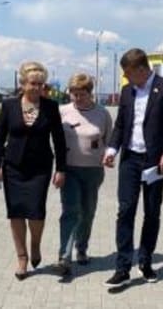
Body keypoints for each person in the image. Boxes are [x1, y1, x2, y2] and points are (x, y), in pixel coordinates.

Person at [102, 48, 163, 287]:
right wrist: (111, 149)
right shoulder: (127, 91)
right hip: (130, 159)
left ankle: (146, 262)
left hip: (155, 161)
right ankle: (122, 268)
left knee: (152, 211)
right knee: (125, 210)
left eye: (127, 73)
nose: (125, 77)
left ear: (141, 69)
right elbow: (120, 124)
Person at [0, 61, 67, 280]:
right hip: (13, 167)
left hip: (40, 169)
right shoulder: (9, 105)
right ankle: (22, 257)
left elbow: (59, 140)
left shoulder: (50, 107)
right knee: (16, 212)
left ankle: (35, 245)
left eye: (41, 84)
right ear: (23, 84)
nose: (37, 88)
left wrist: (61, 169)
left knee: (36, 211)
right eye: (33, 83)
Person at [54, 72, 113, 276]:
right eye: (74, 94)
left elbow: (109, 141)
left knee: (87, 212)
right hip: (69, 170)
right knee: (70, 210)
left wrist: (109, 155)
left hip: (93, 171)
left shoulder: (102, 114)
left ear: (90, 93)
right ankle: (64, 257)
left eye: (82, 94)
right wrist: (57, 169)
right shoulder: (62, 111)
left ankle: (82, 248)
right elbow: (55, 140)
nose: (77, 98)